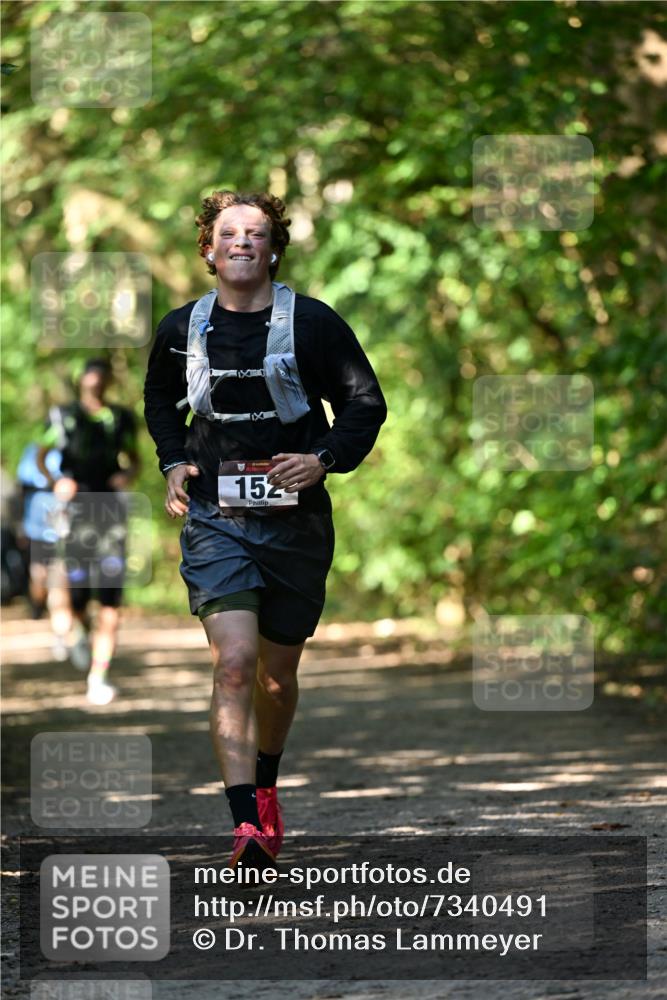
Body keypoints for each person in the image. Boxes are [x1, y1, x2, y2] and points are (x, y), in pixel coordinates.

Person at [144, 190, 386, 868]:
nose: (241, 242)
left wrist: (325, 459)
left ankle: (268, 785)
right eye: (228, 233)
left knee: (276, 678)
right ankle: (244, 821)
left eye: (255, 233)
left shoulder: (312, 323)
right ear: (208, 249)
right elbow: (159, 399)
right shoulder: (180, 329)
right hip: (217, 519)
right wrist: (173, 463)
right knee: (233, 666)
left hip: (295, 526)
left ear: (273, 248)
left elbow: (365, 403)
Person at [37, 358, 140, 705]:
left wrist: (127, 475)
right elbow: (42, 455)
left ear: (108, 380)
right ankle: (76, 630)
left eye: (101, 376)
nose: (95, 381)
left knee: (110, 601)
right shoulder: (62, 417)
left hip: (110, 511)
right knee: (78, 595)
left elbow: (135, 458)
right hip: (76, 509)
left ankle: (99, 676)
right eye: (90, 375)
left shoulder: (121, 418)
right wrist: (57, 481)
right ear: (82, 380)